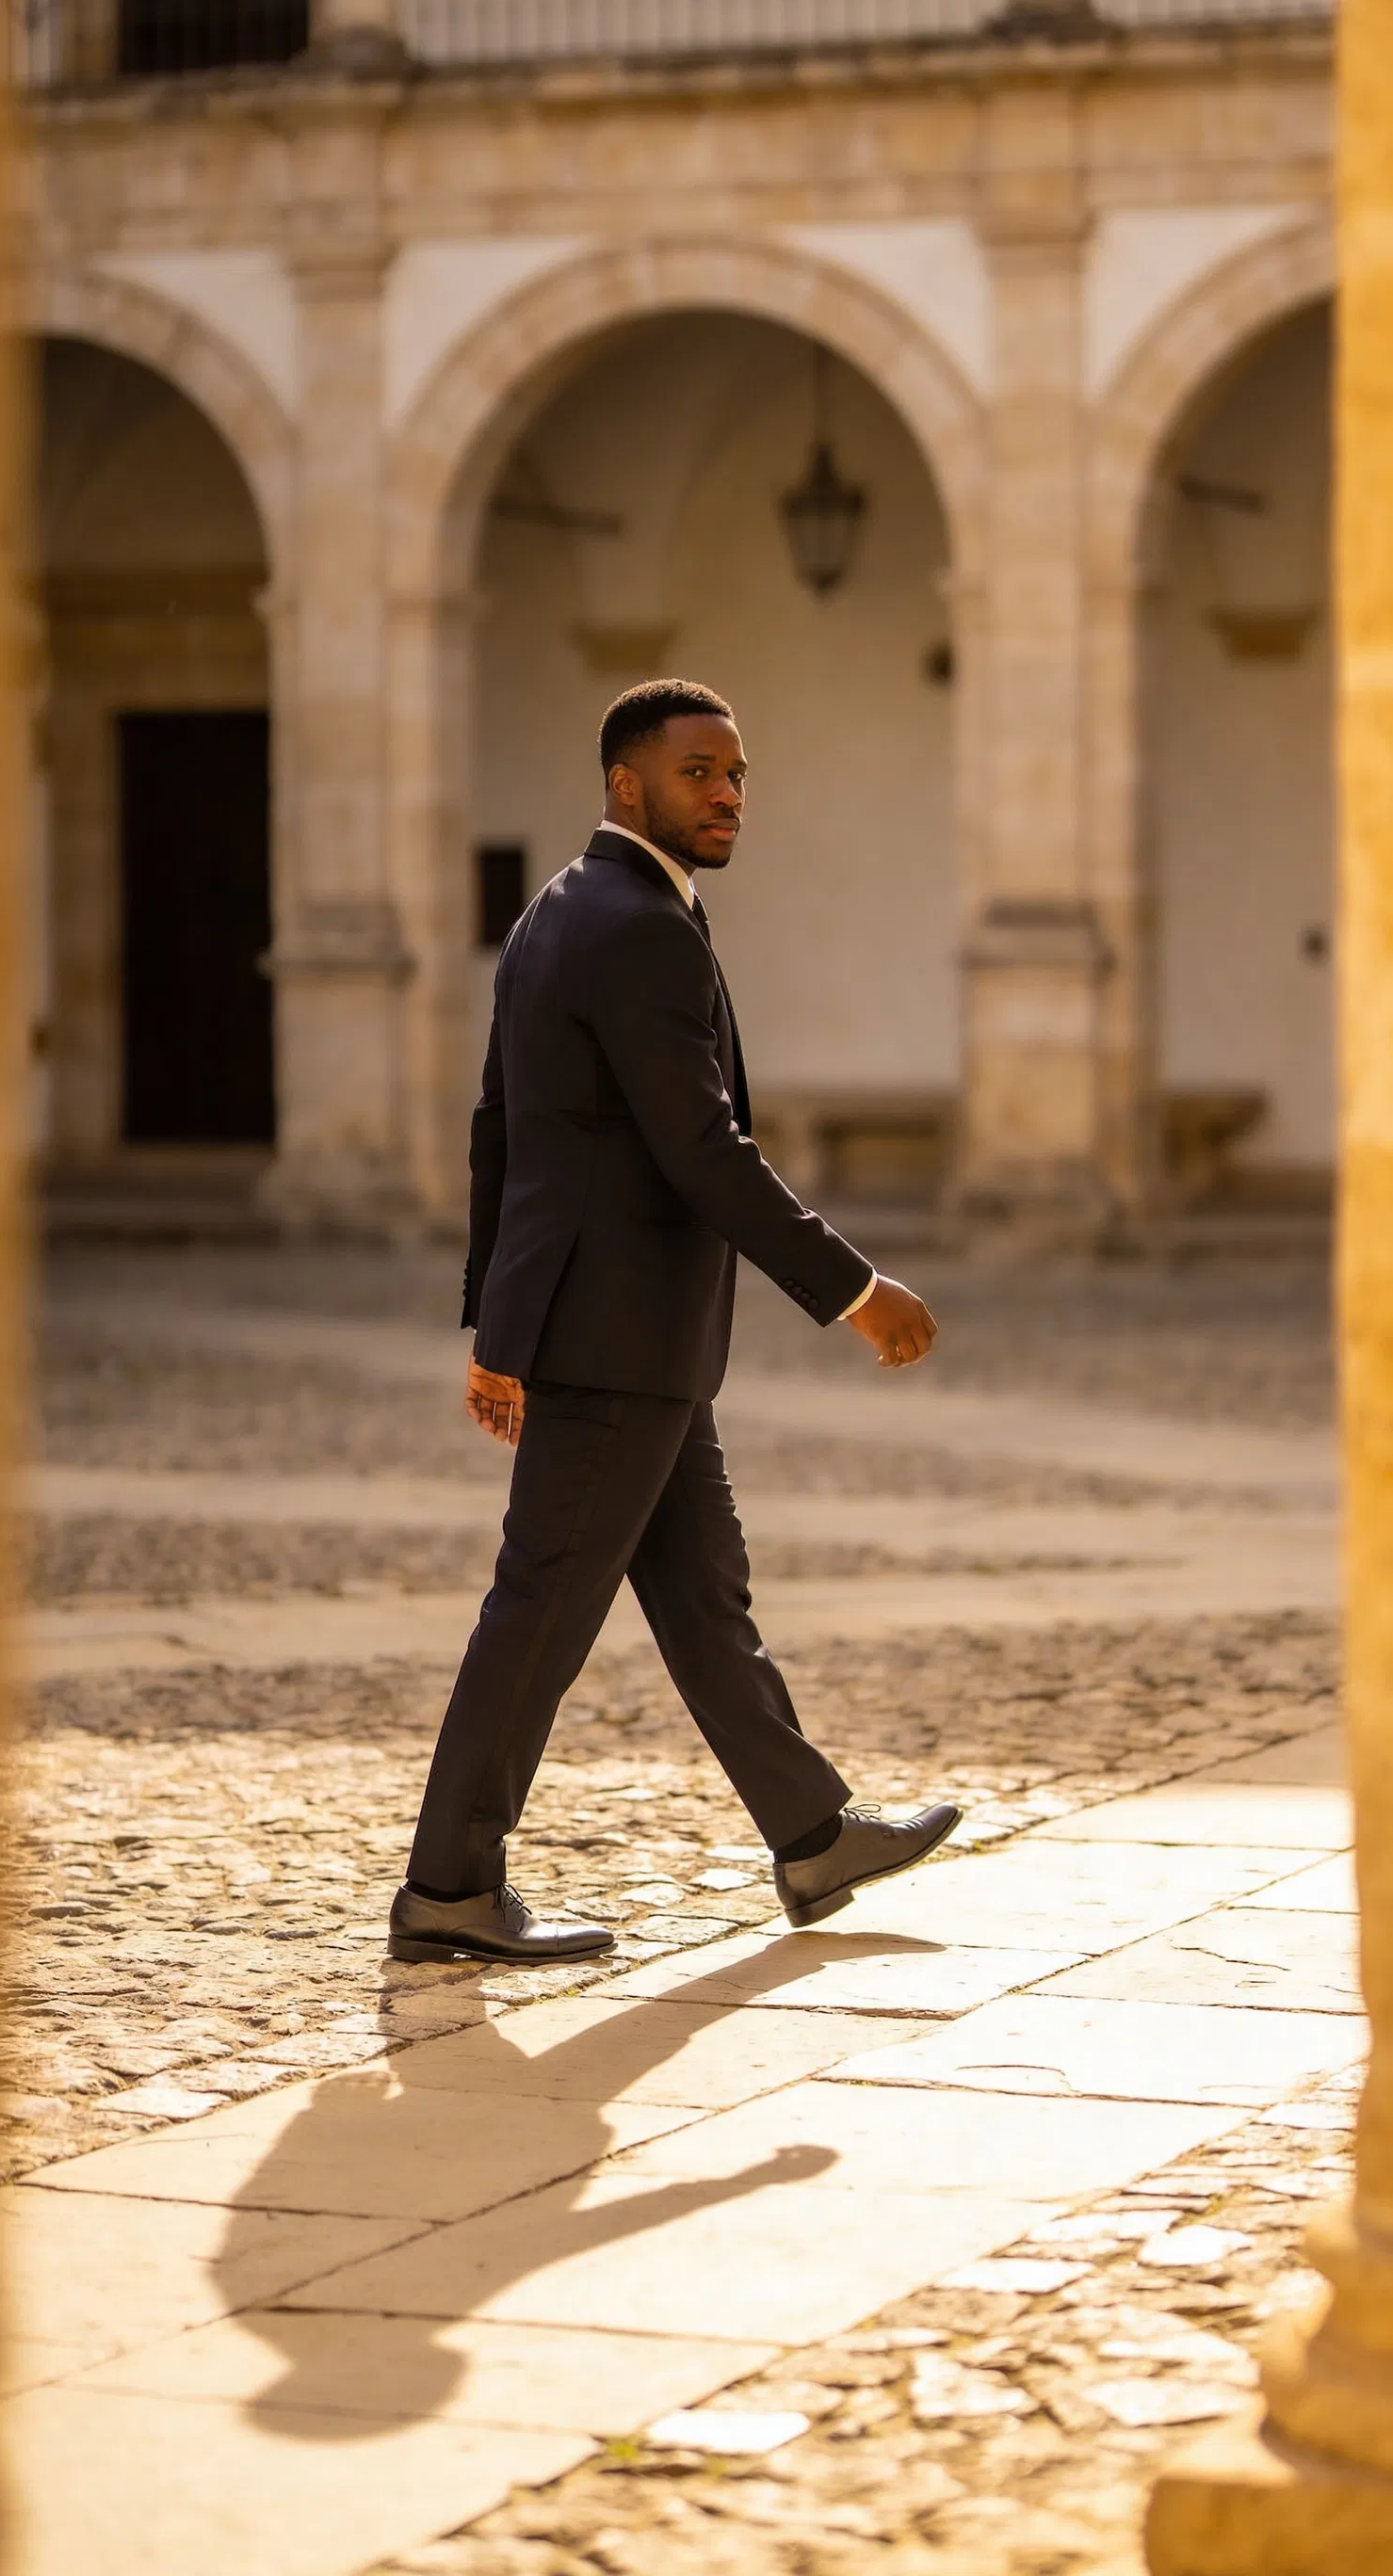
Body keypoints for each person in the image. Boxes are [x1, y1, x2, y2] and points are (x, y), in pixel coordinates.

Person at [391, 679, 960, 1965]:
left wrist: (497, 1323)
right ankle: (447, 1887)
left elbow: (504, 1134)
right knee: (540, 1609)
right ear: (626, 783)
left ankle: (812, 1834)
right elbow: (702, 1152)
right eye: (699, 772)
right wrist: (859, 1292)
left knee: (705, 1599)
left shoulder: (557, 913)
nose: (728, 796)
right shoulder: (638, 927)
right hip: (619, 1340)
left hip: (618, 1336)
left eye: (739, 774)